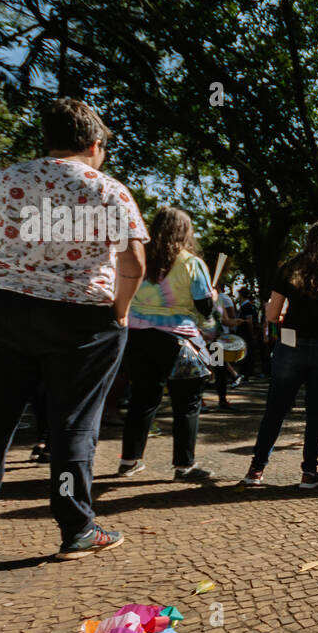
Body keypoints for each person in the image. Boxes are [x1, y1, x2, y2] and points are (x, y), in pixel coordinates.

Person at [0, 98, 147, 560]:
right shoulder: (109, 190)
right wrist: (120, 309)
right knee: (73, 422)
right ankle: (76, 527)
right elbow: (134, 261)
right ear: (94, 145)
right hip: (82, 316)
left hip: (5, 307)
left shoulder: (3, 179)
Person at [243, 220, 318, 489]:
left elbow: (272, 315)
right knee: (316, 412)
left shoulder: (290, 268)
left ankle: (256, 469)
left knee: (276, 409)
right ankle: (309, 473)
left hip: (290, 344)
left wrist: (290, 319)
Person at [118, 206, 215, 482]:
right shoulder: (191, 263)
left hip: (137, 338)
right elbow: (205, 308)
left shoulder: (138, 260)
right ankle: (184, 466)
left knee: (142, 399)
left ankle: (129, 460)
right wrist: (214, 297)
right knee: (186, 403)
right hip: (177, 339)